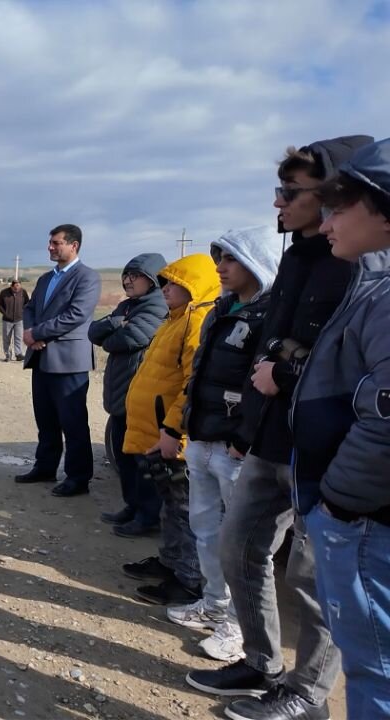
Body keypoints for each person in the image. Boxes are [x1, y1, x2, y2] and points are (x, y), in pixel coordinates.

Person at [186, 136, 371, 720]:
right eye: (279, 190)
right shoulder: (296, 256)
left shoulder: (362, 268)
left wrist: (284, 371)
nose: (279, 204)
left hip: (323, 449)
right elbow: (270, 345)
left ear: (336, 191)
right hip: (268, 438)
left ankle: (309, 694)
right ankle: (261, 661)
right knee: (240, 544)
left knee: (314, 580)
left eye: (291, 192)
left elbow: (349, 366)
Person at [294, 138, 390, 719]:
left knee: (374, 669)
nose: (327, 224)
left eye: (340, 207)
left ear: (382, 208)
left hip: (364, 520)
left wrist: (339, 503)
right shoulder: (374, 287)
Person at [171, 227, 280, 665]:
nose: (221, 267)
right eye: (220, 258)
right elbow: (202, 374)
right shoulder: (220, 308)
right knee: (206, 530)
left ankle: (239, 628)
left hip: (236, 447)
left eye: (231, 259)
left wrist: (243, 439)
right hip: (203, 437)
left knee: (244, 547)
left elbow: (264, 384)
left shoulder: (270, 315)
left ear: (255, 264)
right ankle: (213, 605)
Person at [118, 253, 219, 606]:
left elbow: (191, 383)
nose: (165, 289)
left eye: (173, 283)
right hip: (159, 433)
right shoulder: (175, 319)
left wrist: (174, 430)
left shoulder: (198, 321)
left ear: (192, 285)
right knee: (170, 504)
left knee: (185, 508)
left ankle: (188, 580)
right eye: (163, 282)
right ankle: (170, 563)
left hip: (173, 436)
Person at [16, 225, 103, 496]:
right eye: (50, 243)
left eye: (56, 243)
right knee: (46, 419)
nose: (50, 248)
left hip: (68, 361)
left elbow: (76, 315)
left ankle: (78, 478)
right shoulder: (45, 279)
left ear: (73, 245)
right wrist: (30, 333)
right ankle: (45, 467)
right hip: (41, 358)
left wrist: (38, 333)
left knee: (73, 421)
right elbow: (29, 308)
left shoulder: (87, 277)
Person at [88, 253, 168, 532]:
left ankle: (148, 517)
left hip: (141, 398)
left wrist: (115, 328)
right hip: (123, 396)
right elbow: (94, 333)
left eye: (135, 276)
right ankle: (132, 507)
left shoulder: (157, 307)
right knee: (124, 458)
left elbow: (127, 339)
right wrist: (115, 323)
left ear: (154, 280)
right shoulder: (127, 307)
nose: (127, 281)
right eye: (126, 275)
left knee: (143, 461)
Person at [0, 280, 31, 362]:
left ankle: (18, 354)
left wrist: (23, 312)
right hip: (7, 320)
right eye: (15, 288)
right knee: (6, 338)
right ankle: (8, 355)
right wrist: (4, 313)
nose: (17, 289)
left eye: (19, 287)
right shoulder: (4, 293)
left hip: (19, 319)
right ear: (11, 287)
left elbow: (27, 303)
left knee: (18, 338)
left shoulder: (23, 292)